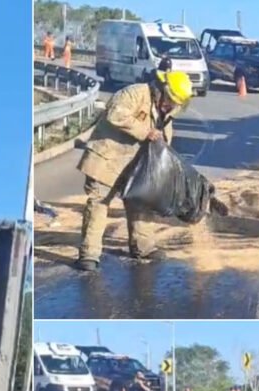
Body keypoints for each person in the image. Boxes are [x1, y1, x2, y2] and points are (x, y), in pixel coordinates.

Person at [74, 70, 194, 271]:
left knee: (141, 204)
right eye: (170, 100)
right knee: (99, 204)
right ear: (161, 89)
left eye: (175, 103)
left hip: (136, 165)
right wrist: (146, 131)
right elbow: (115, 114)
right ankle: (89, 254)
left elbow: (164, 140)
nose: (170, 105)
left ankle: (142, 247)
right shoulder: (135, 93)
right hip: (108, 158)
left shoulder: (167, 113)